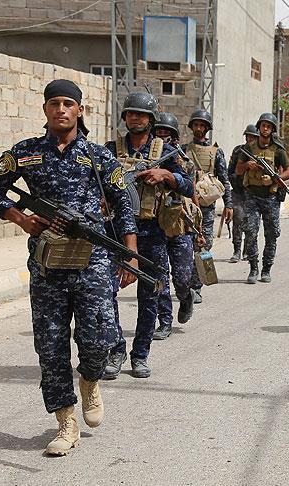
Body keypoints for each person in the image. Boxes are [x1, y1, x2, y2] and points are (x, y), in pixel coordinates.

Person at [0, 79, 138, 455]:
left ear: (80, 110)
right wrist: (20, 218)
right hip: (47, 263)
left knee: (99, 340)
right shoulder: (27, 152)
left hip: (93, 261)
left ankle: (90, 380)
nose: (61, 109)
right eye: (54, 103)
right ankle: (66, 422)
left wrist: (130, 252)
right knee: (50, 346)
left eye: (68, 103)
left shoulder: (98, 156)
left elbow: (123, 203)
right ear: (45, 109)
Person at [103, 93, 191, 379]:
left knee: (150, 296)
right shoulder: (109, 150)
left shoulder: (166, 151)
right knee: (105, 294)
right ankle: (116, 349)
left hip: (152, 232)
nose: (135, 118)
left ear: (151, 119)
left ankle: (140, 354)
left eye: (141, 115)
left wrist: (167, 175)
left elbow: (189, 186)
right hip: (115, 232)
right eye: (131, 113)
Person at [151, 112, 200, 338]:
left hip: (180, 224)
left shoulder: (182, 160)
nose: (162, 136)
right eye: (158, 132)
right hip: (155, 224)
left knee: (182, 277)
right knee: (160, 276)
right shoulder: (146, 157)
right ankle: (165, 321)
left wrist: (199, 228)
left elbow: (190, 190)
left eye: (166, 132)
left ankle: (186, 297)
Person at [235, 112, 289, 284]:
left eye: (269, 126)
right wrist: (248, 165)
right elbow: (238, 170)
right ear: (259, 127)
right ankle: (253, 268)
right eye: (263, 125)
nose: (265, 128)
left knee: (271, 234)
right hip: (252, 196)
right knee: (250, 232)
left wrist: (275, 179)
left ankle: (266, 269)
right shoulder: (248, 148)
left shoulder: (277, 149)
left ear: (272, 129)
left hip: (270, 198)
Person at [181, 109, 233, 303]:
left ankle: (196, 287)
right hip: (186, 205)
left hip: (206, 207)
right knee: (184, 246)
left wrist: (228, 204)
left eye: (202, 125)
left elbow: (224, 180)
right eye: (196, 125)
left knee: (204, 245)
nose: (199, 128)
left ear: (207, 128)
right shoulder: (183, 150)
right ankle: (185, 284)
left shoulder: (216, 152)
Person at [228, 124, 259, 263]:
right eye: (249, 137)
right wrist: (242, 171)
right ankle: (237, 250)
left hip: (254, 193)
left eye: (253, 137)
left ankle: (247, 250)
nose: (250, 139)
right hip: (239, 192)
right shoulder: (238, 151)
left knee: (251, 223)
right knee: (238, 219)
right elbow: (230, 172)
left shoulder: (261, 152)